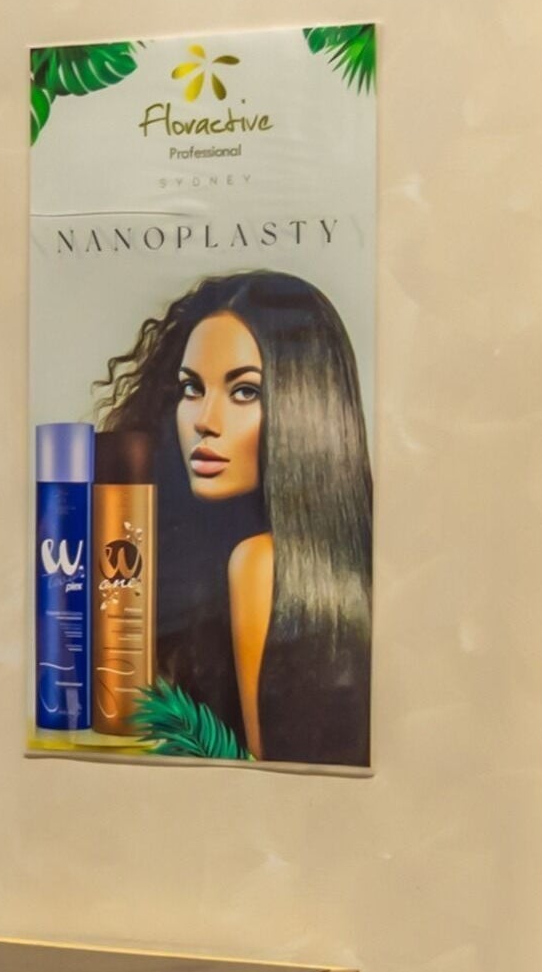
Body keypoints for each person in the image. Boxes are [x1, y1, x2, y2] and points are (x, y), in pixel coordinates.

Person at [93, 270, 375, 766]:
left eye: (244, 391)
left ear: (305, 404)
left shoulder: (260, 565)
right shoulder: (354, 551)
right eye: (191, 388)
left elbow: (267, 790)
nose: (204, 419)